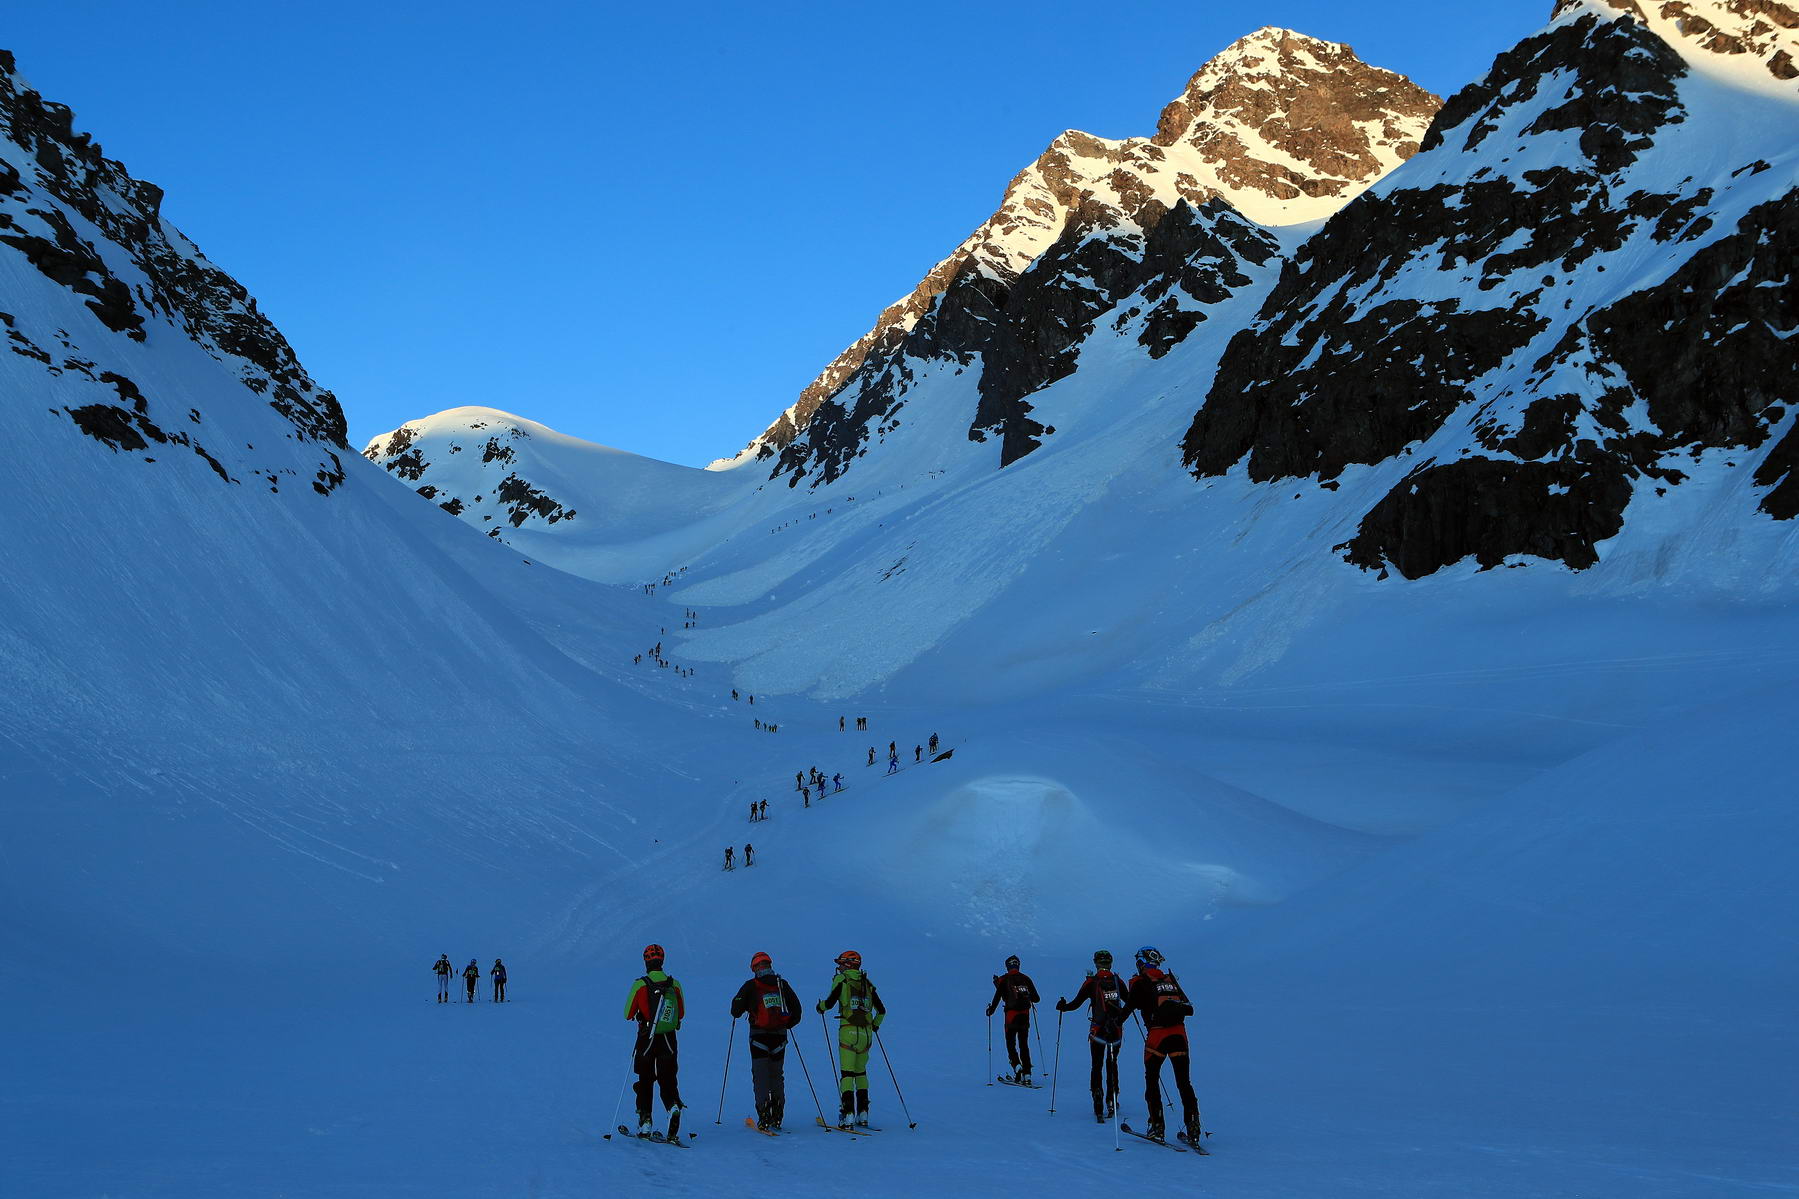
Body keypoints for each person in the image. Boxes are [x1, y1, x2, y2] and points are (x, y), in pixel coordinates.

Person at [1127, 947, 1201, 1143]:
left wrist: (1112, 1023)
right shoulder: (1170, 980)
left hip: (1157, 1037)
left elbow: (1126, 1010)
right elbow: (1188, 1007)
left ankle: (1157, 1127)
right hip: (1179, 1035)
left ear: (1140, 962)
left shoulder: (1140, 982)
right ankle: (1194, 1128)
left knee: (1152, 1081)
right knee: (1184, 1083)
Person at [730, 951, 803, 1130]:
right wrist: (786, 1025)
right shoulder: (781, 984)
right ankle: (777, 1115)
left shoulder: (751, 985)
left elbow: (735, 1010)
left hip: (759, 1036)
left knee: (761, 1076)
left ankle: (764, 1116)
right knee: (777, 1075)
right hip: (779, 1037)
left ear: (754, 968)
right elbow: (797, 1010)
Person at [1056, 949, 1132, 1120]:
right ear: (1110, 963)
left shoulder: (1092, 982)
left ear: (1096, 963)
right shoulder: (1117, 980)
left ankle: (1097, 1103)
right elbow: (1130, 1002)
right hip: (1116, 1031)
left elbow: (1075, 1003)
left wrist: (1063, 1006)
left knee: (1096, 1066)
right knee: (1112, 1064)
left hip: (1097, 1030)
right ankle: (1112, 1101)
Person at [817, 950, 885, 1127]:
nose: (838, 967)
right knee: (861, 1072)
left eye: (840, 963)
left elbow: (830, 1003)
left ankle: (847, 1115)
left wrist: (820, 1007)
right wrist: (875, 1025)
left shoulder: (842, 980)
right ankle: (863, 1114)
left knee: (847, 1074)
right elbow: (882, 1011)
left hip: (848, 1031)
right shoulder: (867, 983)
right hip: (866, 1034)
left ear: (847, 964)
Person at [625, 944, 686, 1139]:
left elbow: (628, 1013)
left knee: (645, 1079)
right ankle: (673, 1107)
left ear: (646, 962)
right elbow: (681, 1013)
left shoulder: (640, 984)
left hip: (646, 1038)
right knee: (668, 1078)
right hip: (669, 1038)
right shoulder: (674, 984)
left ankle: (645, 1121)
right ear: (662, 961)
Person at [986, 955, 1041, 1083]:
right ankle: (1027, 1074)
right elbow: (1036, 998)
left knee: (1011, 1044)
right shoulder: (1026, 978)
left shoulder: (1004, 979)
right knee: (1024, 1045)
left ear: (1007, 966)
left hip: (1010, 1017)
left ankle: (1017, 1066)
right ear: (1018, 965)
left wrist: (990, 1011)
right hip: (1025, 1016)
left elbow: (998, 997)